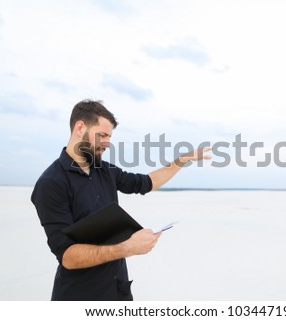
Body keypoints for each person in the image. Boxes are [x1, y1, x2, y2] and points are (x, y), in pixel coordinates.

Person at [31, 99, 210, 301]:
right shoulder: (51, 183)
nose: (107, 143)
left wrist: (182, 161)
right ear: (80, 127)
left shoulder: (104, 170)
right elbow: (67, 256)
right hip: (79, 295)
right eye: (103, 135)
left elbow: (146, 183)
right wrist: (128, 247)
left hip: (118, 290)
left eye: (110, 136)